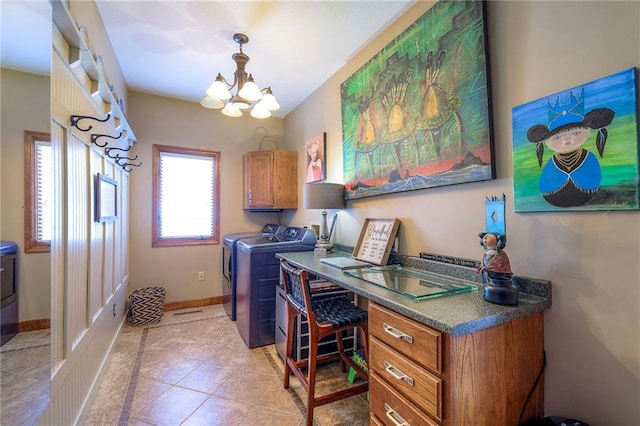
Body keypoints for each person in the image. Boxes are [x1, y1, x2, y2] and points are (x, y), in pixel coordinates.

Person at [526, 89, 615, 207]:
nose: (567, 140)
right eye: (557, 138)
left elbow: (594, 176)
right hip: (554, 198)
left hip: (585, 195)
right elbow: (545, 184)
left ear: (587, 131)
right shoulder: (552, 162)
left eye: (576, 134)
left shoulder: (588, 157)